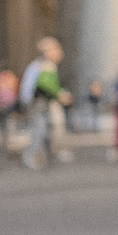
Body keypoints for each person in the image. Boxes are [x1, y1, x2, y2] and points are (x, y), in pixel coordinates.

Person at [20, 37, 72, 169]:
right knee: (40, 129)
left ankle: (47, 155)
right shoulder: (45, 66)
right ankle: (30, 155)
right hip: (38, 102)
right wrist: (59, 94)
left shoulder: (40, 65)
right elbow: (45, 85)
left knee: (47, 128)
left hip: (40, 102)